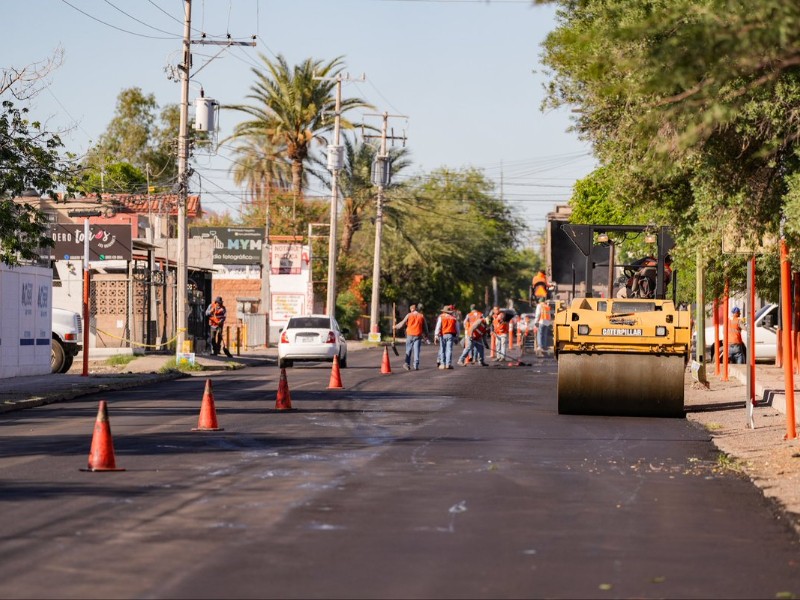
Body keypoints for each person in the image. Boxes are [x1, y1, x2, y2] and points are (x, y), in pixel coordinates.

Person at [394, 303, 428, 370]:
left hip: (410, 335)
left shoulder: (409, 315)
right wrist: (426, 335)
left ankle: (407, 363)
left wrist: (395, 326)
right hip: (418, 335)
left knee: (408, 349)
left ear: (411, 310)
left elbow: (402, 323)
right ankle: (416, 365)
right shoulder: (421, 316)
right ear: (416, 309)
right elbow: (425, 327)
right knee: (416, 350)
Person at [434, 305, 460, 370]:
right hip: (450, 335)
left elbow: (438, 326)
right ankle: (448, 364)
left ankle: (443, 364)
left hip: (443, 335)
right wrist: (457, 337)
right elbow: (457, 329)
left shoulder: (441, 317)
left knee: (442, 349)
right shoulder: (453, 318)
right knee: (449, 350)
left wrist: (436, 335)